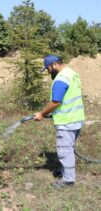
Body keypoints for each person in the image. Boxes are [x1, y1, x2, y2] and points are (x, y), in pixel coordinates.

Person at [34, 55, 85, 189]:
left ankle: (68, 180)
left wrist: (42, 114)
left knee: (64, 150)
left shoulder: (60, 79)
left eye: (48, 68)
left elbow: (56, 102)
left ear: (54, 64)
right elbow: (69, 97)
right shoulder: (72, 74)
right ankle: (65, 171)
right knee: (69, 148)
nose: (48, 72)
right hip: (77, 118)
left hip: (67, 121)